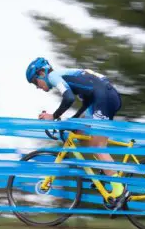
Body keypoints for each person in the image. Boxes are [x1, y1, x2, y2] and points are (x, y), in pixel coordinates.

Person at [26, 57, 128, 207]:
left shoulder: (53, 76)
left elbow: (68, 98)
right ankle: (107, 172)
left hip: (103, 98)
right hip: (102, 97)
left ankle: (119, 189)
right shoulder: (68, 76)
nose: (37, 87)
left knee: (97, 147)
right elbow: (86, 102)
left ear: (42, 72)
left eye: (35, 82)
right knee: (81, 134)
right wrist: (72, 121)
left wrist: (52, 116)